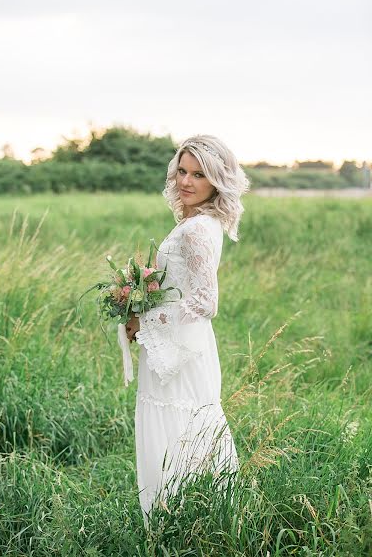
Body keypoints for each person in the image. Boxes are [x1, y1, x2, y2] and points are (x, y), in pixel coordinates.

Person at [125, 134, 250, 528]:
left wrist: (143, 319)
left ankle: (176, 522)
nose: (186, 181)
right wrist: (139, 298)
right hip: (176, 343)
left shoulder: (197, 229)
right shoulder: (199, 221)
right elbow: (179, 288)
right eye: (182, 170)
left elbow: (204, 302)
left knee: (178, 426)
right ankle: (188, 520)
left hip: (179, 350)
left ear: (217, 180)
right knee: (183, 426)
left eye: (199, 174)